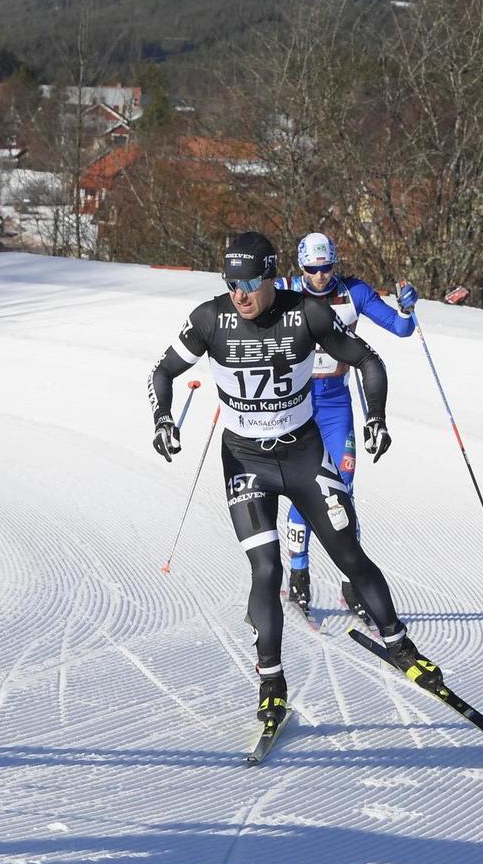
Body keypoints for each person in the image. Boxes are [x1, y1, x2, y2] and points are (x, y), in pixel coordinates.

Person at [147, 231, 443, 727]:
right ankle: (271, 683)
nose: (239, 294)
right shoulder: (210, 318)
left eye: (249, 283)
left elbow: (369, 360)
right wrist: (162, 418)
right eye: (231, 283)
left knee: (349, 553)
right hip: (245, 462)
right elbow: (162, 371)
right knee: (266, 569)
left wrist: (376, 417)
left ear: (270, 276)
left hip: (304, 455)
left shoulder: (306, 313)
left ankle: (399, 644)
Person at [279, 232, 419, 621]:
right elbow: (247, 312)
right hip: (298, 405)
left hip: (337, 404)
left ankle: (352, 581)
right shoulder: (287, 290)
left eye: (326, 269)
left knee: (344, 490)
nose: (320, 277)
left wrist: (408, 310)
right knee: (304, 493)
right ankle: (300, 575)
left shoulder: (353, 292)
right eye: (311, 270)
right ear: (300, 266)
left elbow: (402, 329)